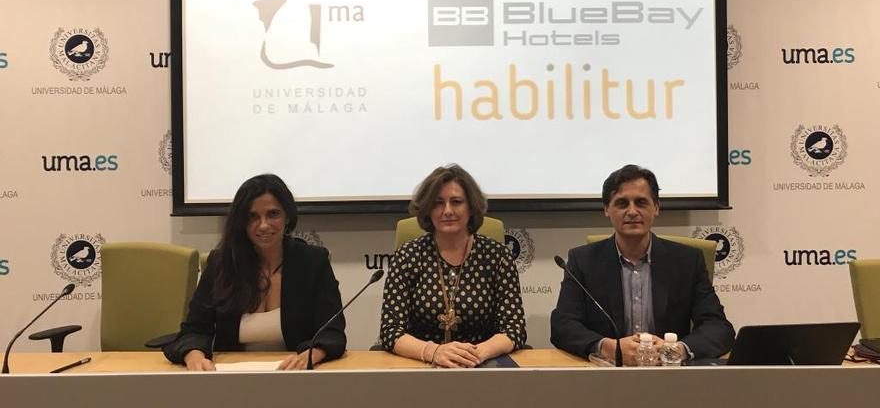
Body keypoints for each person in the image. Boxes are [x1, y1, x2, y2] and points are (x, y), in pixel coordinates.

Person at [550, 165, 734, 365]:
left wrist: (677, 349)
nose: (632, 211)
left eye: (641, 202)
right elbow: (563, 325)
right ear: (606, 209)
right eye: (622, 203)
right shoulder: (583, 260)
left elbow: (718, 327)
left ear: (656, 207)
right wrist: (607, 346)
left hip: (669, 374)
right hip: (606, 376)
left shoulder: (687, 261)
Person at [163, 174, 346, 370]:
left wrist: (312, 354)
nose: (264, 225)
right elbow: (194, 330)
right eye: (252, 217)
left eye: (273, 214)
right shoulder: (221, 264)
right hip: (232, 380)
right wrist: (194, 357)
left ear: (287, 216)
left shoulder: (313, 262)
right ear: (241, 223)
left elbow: (333, 332)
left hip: (295, 378)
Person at [380, 164, 526, 368]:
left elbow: (514, 328)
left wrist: (475, 354)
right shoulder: (408, 256)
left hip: (482, 365)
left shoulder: (497, 256)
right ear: (428, 209)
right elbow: (391, 330)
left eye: (456, 202)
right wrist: (434, 352)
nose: (447, 211)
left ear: (471, 207)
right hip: (421, 365)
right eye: (438, 203)